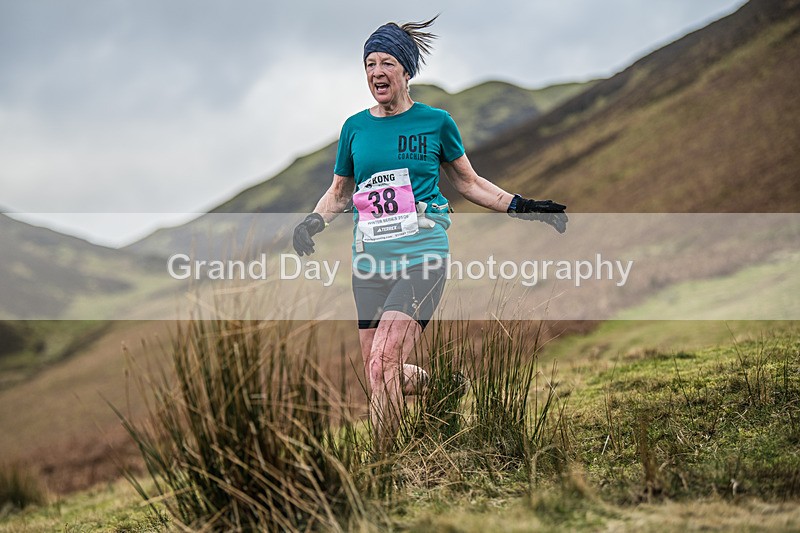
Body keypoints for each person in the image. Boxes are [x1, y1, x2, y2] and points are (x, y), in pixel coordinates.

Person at [292, 16, 567, 452]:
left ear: (405, 70)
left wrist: (524, 205)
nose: (375, 72)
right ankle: (445, 386)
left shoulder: (436, 123)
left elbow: (469, 183)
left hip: (423, 255)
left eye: (385, 62)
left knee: (385, 360)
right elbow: (340, 191)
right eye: (368, 64)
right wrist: (313, 221)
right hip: (370, 261)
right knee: (377, 368)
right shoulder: (354, 129)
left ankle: (387, 467)